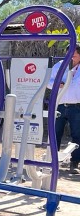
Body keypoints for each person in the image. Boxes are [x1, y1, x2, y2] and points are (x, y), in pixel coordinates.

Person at [49, 45, 80, 173]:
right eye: (69, 55)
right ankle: (52, 161)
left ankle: (74, 163)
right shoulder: (59, 65)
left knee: (77, 135)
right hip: (60, 105)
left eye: (74, 55)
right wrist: (57, 84)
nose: (71, 57)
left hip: (77, 107)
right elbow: (48, 81)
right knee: (55, 133)